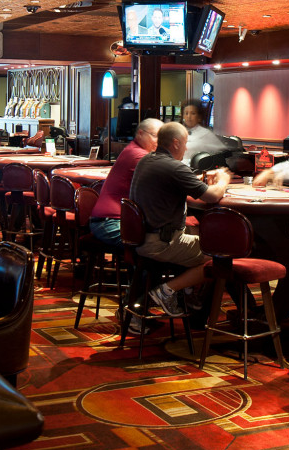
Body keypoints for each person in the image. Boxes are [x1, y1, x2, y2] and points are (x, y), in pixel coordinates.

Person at [129, 122, 230, 317]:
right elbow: (213, 196)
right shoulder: (173, 167)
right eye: (184, 143)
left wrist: (199, 181)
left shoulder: (147, 160)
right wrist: (223, 179)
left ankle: (189, 296)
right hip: (162, 243)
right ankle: (168, 291)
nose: (186, 148)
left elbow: (180, 182)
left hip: (143, 238)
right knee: (222, 254)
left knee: (200, 236)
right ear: (175, 143)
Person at [89, 118, 162, 249]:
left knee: (165, 242)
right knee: (160, 245)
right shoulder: (139, 156)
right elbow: (165, 187)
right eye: (155, 136)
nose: (159, 141)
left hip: (112, 220)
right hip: (110, 223)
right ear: (140, 133)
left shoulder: (134, 150)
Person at [180, 100, 227, 165]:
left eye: (193, 113)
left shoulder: (205, 133)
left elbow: (221, 152)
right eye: (186, 113)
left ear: (199, 117)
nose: (189, 117)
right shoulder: (178, 131)